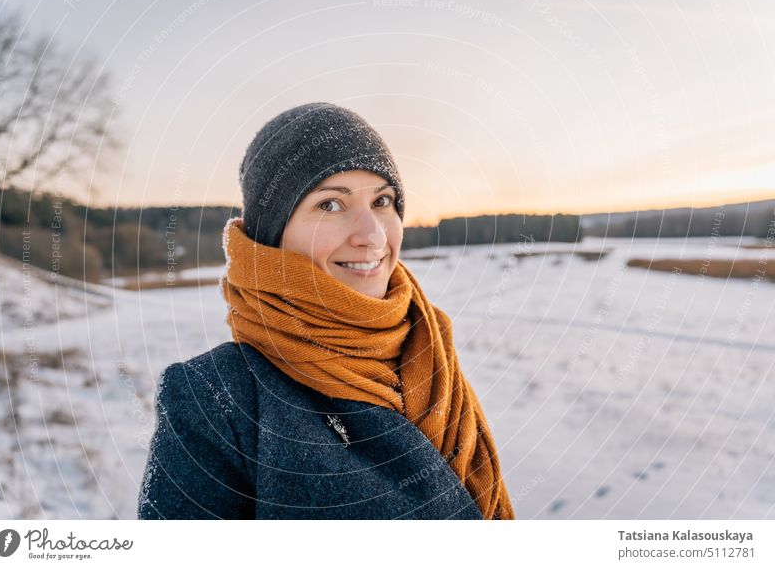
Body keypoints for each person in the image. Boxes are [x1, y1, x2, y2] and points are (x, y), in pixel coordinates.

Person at [137, 102, 516, 520]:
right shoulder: (216, 400)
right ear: (274, 233)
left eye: (382, 201)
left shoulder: (430, 349)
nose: (372, 235)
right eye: (330, 205)